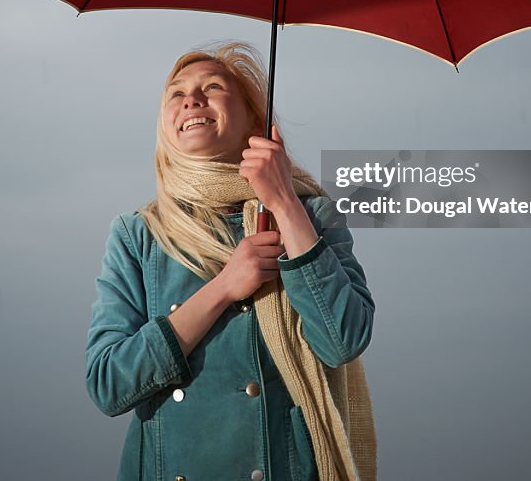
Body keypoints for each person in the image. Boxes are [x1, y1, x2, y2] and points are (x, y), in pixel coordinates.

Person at [86, 41, 377, 481]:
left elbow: (344, 339)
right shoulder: (139, 235)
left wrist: (282, 201)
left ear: (251, 121)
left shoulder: (310, 214)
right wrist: (224, 287)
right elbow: (109, 383)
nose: (191, 99)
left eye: (213, 86)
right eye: (176, 93)